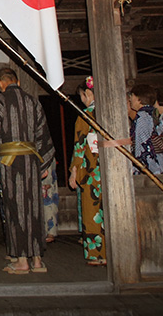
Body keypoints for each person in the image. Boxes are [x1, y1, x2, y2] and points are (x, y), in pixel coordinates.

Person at [0, 68, 53, 274]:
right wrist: (43, 164)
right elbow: (43, 135)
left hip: (9, 162)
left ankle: (21, 260)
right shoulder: (32, 102)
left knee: (15, 209)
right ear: (17, 82)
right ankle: (38, 260)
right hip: (31, 161)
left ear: (0, 83)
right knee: (34, 208)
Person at [68, 76, 105, 266]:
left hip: (91, 169)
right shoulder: (109, 113)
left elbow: (79, 146)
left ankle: (96, 254)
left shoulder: (85, 116)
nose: (82, 99)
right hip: (108, 168)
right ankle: (111, 250)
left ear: (88, 94)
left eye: (82, 95)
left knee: (92, 210)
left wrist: (74, 171)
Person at [128, 84, 162, 175]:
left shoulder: (142, 116)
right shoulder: (152, 113)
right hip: (159, 160)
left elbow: (143, 142)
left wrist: (139, 164)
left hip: (148, 164)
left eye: (132, 96)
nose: (130, 99)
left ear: (139, 99)